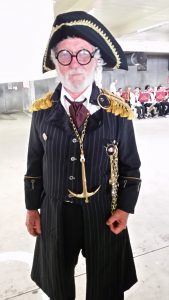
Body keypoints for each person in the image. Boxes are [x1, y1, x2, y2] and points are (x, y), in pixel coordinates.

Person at [24, 11, 141, 300]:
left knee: (106, 288)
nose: (74, 63)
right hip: (55, 214)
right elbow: (34, 164)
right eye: (64, 55)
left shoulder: (118, 111)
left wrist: (125, 208)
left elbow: (130, 167)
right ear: (55, 63)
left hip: (104, 213)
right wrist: (31, 208)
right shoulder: (41, 112)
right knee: (58, 288)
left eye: (83, 54)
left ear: (96, 60)